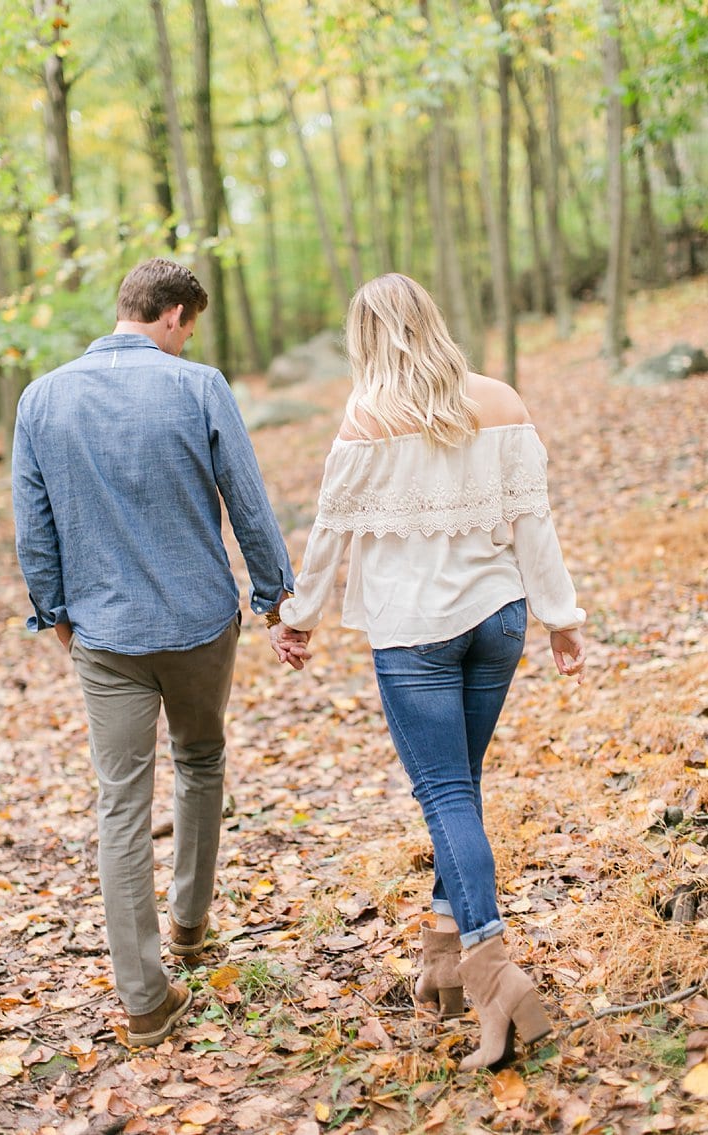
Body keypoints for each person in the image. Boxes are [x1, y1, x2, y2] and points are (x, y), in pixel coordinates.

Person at [272, 272, 585, 1071]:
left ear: (366, 337)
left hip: (415, 636)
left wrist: (298, 619)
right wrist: (559, 618)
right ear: (433, 323)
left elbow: (326, 534)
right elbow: (532, 525)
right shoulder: (502, 400)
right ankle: (443, 958)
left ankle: (490, 968)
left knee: (445, 793)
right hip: (499, 620)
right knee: (461, 787)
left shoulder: (366, 417)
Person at [12, 258, 296, 1047]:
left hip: (104, 635)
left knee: (120, 805)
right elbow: (246, 496)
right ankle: (190, 925)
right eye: (187, 329)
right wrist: (276, 596)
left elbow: (32, 532)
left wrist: (57, 617)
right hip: (199, 621)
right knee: (201, 760)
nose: (185, 342)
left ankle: (143, 999)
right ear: (171, 315)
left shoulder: (41, 399)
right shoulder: (197, 384)